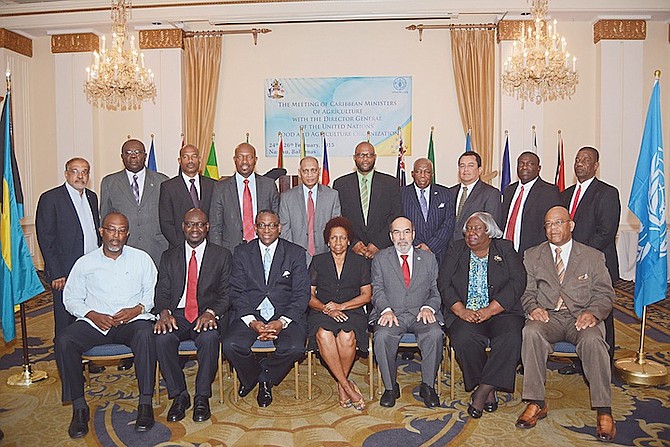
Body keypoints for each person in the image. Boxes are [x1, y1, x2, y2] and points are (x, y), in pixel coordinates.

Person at [516, 206, 616, 443]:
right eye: (549, 224)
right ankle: (536, 402)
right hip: (548, 318)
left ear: (571, 225)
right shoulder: (532, 255)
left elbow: (605, 293)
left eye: (559, 223)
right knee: (530, 332)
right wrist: (532, 307)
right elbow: (525, 291)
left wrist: (593, 313)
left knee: (593, 339)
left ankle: (604, 409)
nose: (553, 228)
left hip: (581, 317)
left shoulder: (592, 256)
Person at [55, 212, 158, 438]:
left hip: (129, 322)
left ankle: (145, 404)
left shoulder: (142, 259)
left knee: (145, 334)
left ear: (127, 234)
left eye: (121, 231)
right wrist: (91, 314)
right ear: (102, 231)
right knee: (64, 340)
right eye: (111, 229)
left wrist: (136, 310)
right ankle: (79, 407)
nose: (116, 235)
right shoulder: (85, 263)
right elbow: (70, 299)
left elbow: (151, 295)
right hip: (95, 322)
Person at [438, 212, 526, 418]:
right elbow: (444, 282)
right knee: (463, 338)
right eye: (468, 229)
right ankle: (489, 386)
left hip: (501, 312)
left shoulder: (504, 248)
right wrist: (460, 310)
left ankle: (483, 390)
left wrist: (490, 310)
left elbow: (517, 282)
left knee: (511, 337)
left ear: (489, 231)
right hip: (466, 313)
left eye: (477, 228)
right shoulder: (456, 249)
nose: (471, 233)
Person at [223, 210, 310, 407]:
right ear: (255, 228)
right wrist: (252, 321)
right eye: (262, 225)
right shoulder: (242, 252)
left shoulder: (295, 253)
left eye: (271, 225)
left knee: (295, 347)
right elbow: (236, 291)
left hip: (284, 313)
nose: (267, 229)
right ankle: (254, 376)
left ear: (279, 228)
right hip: (250, 313)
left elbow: (301, 293)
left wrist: (282, 322)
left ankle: (264, 378)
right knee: (231, 345)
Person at [154, 208, 231, 423]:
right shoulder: (169, 256)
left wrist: (211, 312)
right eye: (190, 224)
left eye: (199, 225)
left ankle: (201, 397)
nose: (194, 229)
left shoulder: (222, 255)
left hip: (205, 313)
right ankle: (179, 395)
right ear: (183, 227)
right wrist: (163, 313)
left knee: (209, 337)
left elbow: (227, 294)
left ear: (207, 227)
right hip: (177, 314)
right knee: (162, 337)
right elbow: (162, 291)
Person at [370, 217, 444, 408]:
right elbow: (377, 289)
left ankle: (428, 386)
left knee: (435, 334)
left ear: (413, 234)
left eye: (406, 232)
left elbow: (435, 291)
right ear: (390, 236)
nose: (402, 237)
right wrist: (385, 310)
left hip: (421, 313)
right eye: (397, 232)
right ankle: (390, 387)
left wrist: (428, 307)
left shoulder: (428, 258)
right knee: (382, 336)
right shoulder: (381, 258)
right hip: (392, 313)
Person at [560, 146, 620, 372]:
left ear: (595, 166)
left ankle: (605, 361)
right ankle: (579, 360)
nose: (579, 163)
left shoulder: (607, 192)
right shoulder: (565, 194)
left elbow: (606, 232)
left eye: (586, 160)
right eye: (577, 159)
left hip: (597, 265)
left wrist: (578, 257)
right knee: (576, 310)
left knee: (601, 312)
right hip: (567, 266)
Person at [307, 216, 371, 410]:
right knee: (324, 334)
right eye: (334, 238)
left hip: (352, 310)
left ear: (349, 240)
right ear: (327, 240)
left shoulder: (359, 262)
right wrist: (327, 308)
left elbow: (366, 295)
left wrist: (341, 307)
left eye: (342, 238)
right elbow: (309, 296)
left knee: (346, 336)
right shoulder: (318, 261)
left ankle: (342, 386)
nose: (338, 242)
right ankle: (346, 386)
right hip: (323, 311)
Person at [36, 157, 100, 338]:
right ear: (66, 174)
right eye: (75, 171)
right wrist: (56, 272)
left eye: (84, 172)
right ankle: (66, 361)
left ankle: (90, 358)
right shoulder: (51, 198)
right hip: (65, 272)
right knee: (65, 319)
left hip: (92, 268)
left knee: (90, 316)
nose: (80, 176)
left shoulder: (91, 197)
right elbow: (46, 238)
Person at [100, 138, 169, 266]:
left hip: (156, 249)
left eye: (137, 152)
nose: (133, 156)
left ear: (145, 156)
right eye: (128, 152)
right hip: (123, 249)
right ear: (122, 157)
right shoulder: (109, 183)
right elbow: (105, 218)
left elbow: (169, 218)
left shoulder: (162, 181)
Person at [333, 141, 402, 259]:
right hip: (352, 252)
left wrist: (378, 244)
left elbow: (396, 216)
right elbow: (338, 218)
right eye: (361, 155)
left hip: (383, 251)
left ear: (375, 157)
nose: (365, 159)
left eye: (369, 155)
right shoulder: (341, 184)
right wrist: (352, 242)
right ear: (354, 158)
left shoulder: (390, 183)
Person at [209, 142, 280, 252]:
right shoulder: (220, 188)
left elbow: (276, 221)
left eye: (249, 157)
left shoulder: (269, 185)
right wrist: (218, 255)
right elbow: (215, 227)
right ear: (234, 159)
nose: (245, 161)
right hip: (231, 251)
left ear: (255, 159)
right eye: (240, 157)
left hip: (263, 248)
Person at [279, 156, 341, 265]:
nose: (309, 175)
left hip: (325, 257)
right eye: (305, 171)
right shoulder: (287, 197)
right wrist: (294, 254)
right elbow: (284, 231)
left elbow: (335, 228)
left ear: (319, 171)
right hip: (296, 258)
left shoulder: (332, 195)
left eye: (313, 170)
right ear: (299, 172)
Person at [500, 152, 561, 255]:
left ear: (538, 168)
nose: (524, 167)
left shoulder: (549, 192)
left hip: (533, 255)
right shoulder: (509, 190)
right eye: (521, 164)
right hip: (505, 252)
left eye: (530, 164)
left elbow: (552, 227)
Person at [159, 144, 216, 248]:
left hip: (209, 249)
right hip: (179, 247)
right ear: (179, 161)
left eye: (194, 156)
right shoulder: (168, 187)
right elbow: (166, 223)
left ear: (199, 159)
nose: (190, 160)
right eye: (185, 157)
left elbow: (216, 219)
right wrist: (183, 246)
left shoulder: (213, 185)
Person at [401, 158, 454, 265]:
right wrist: (418, 246)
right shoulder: (401, 194)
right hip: (411, 252)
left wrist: (431, 246)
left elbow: (448, 223)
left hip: (439, 254)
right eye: (418, 171)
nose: (423, 175)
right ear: (412, 174)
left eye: (427, 172)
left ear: (432, 174)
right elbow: (400, 223)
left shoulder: (445, 193)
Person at [450, 152, 501, 242]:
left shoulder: (490, 193)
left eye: (470, 166)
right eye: (462, 166)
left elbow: (491, 228)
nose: (466, 169)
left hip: (475, 249)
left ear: (480, 170)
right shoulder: (450, 192)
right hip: (449, 250)